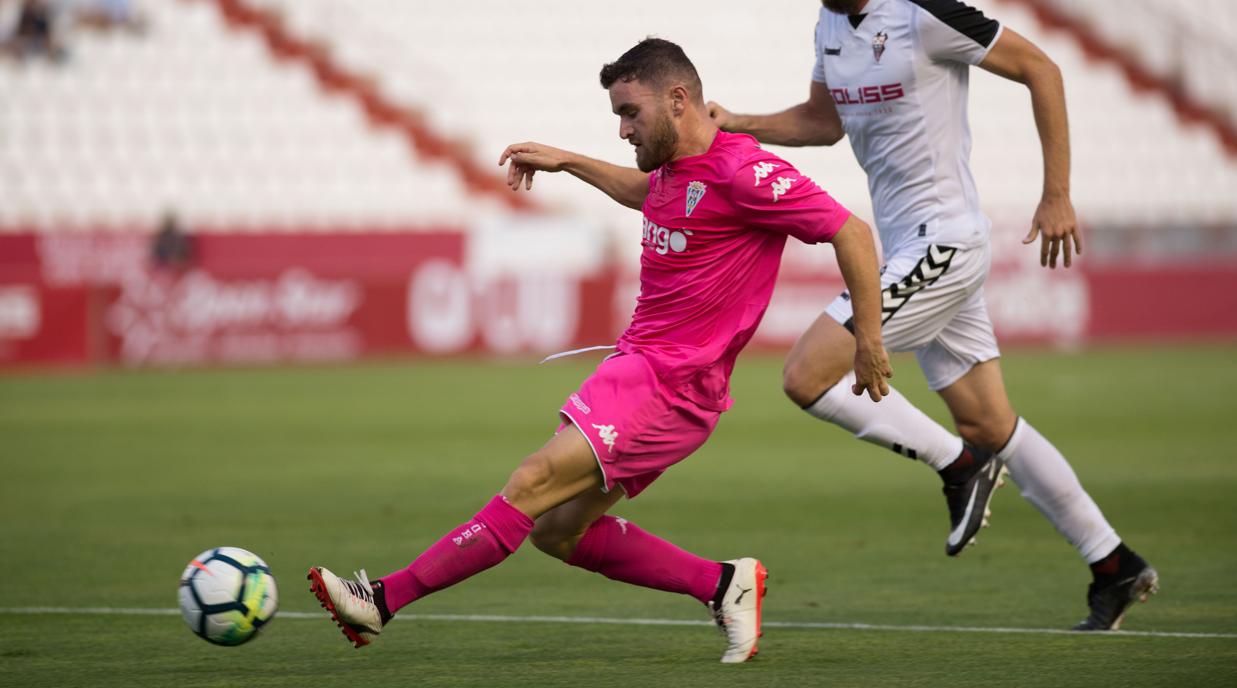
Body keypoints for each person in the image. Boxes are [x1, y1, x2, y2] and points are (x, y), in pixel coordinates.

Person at [307, 38, 891, 663]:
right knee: (559, 532)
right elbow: (648, 193)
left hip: (667, 383)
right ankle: (723, 585)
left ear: (677, 99)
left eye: (630, 113)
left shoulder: (742, 171)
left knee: (531, 481)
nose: (622, 129)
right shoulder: (676, 170)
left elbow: (850, 231)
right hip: (651, 378)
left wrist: (870, 341)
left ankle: (382, 600)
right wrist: (568, 161)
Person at [707, 0, 1157, 631]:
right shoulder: (829, 25)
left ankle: (960, 464)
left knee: (806, 374)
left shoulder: (924, 13)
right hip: (911, 250)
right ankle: (1114, 565)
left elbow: (1042, 69)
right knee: (990, 420)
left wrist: (1056, 193)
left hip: (944, 241)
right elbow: (822, 121)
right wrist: (737, 122)